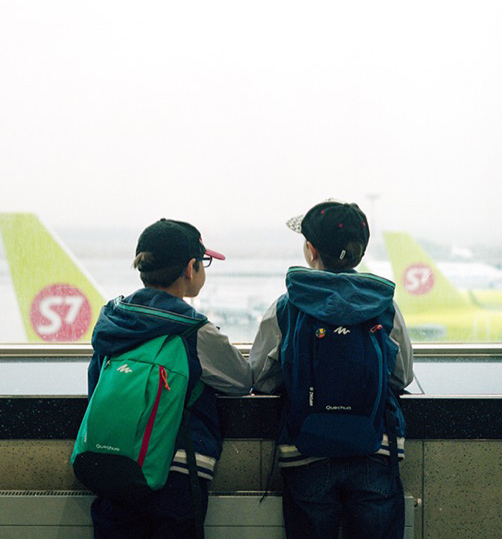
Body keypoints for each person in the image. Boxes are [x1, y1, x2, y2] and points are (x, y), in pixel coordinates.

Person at [249, 200, 414, 539]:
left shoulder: (287, 305)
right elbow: (402, 375)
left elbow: (262, 380)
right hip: (374, 448)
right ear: (359, 251)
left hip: (305, 452)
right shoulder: (383, 305)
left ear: (311, 250)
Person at [88, 218, 253, 539]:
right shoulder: (193, 329)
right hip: (176, 468)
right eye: (204, 262)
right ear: (190, 269)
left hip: (113, 461)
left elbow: (96, 383)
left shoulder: (112, 319)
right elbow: (241, 380)